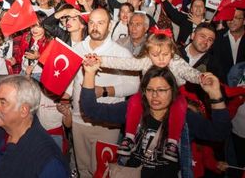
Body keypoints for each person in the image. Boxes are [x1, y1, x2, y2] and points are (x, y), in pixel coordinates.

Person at [80, 62, 231, 177]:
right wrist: (89, 73)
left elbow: (219, 133)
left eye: (161, 90)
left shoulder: (185, 118)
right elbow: (90, 110)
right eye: (150, 90)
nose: (154, 96)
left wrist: (215, 94)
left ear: (173, 91)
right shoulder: (134, 109)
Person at [95, 32, 204, 161]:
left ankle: (172, 143)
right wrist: (101, 60)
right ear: (148, 53)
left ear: (172, 52)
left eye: (165, 54)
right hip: (148, 94)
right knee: (134, 101)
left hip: (173, 95)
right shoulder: (145, 61)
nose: (161, 59)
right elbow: (125, 63)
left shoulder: (176, 62)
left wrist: (201, 77)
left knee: (180, 104)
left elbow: (189, 72)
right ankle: (129, 138)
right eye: (155, 55)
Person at [69, 8, 140, 178]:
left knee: (102, 171)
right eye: (92, 22)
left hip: (107, 123)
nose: (95, 27)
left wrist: (107, 91)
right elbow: (71, 80)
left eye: (100, 23)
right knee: (83, 169)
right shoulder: (77, 49)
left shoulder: (121, 53)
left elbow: (135, 85)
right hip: (79, 120)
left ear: (110, 26)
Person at [211, 8, 245, 82]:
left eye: (236, 18)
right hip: (221, 86)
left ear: (244, 21)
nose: (231, 21)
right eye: (229, 17)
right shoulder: (217, 37)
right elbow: (213, 65)